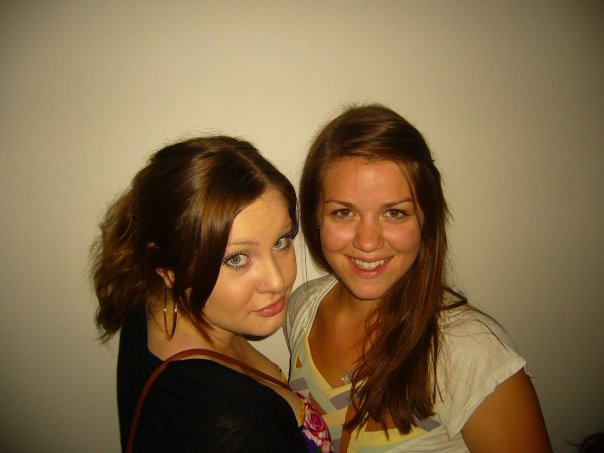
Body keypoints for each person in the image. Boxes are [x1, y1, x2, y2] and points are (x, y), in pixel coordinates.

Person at [285, 105, 552, 452]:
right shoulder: (302, 309)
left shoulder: (471, 353)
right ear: (315, 217)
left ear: (426, 219)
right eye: (344, 212)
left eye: (395, 212)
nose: (368, 241)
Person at [91, 136, 333, 452]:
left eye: (280, 241)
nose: (277, 281)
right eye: (237, 259)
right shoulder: (227, 427)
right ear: (169, 268)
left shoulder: (152, 299)